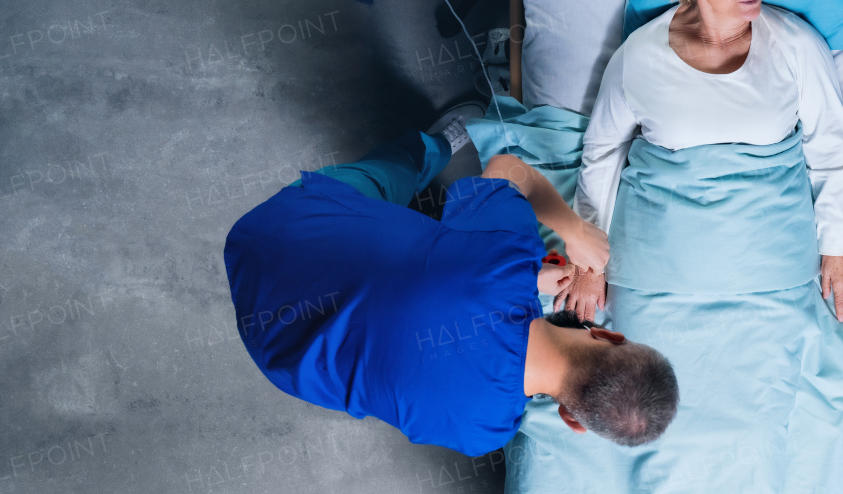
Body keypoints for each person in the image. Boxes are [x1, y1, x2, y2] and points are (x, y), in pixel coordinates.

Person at [223, 113, 680, 457]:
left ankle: (435, 147)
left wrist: (574, 232)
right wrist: (522, 275)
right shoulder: (481, 432)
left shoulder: (503, 259)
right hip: (276, 347)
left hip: (278, 231)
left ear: (607, 333)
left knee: (390, 175)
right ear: (571, 420)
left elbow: (508, 169)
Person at [565, 0, 843, 323]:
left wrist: (840, 249)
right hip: (661, 261)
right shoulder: (638, 56)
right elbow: (603, 153)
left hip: (767, 260)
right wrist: (590, 265)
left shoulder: (795, 45)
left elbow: (831, 143)